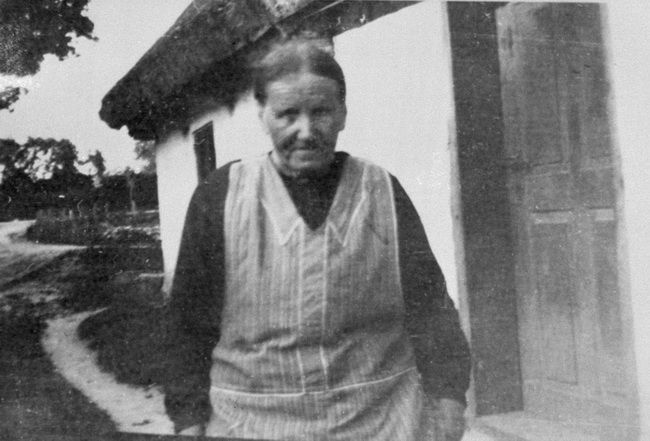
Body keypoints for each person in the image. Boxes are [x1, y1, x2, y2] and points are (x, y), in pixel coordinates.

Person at [164, 39, 471, 440]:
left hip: (380, 420)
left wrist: (449, 400)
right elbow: (186, 324)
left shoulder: (381, 191)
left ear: (342, 113)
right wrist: (188, 419)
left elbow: (430, 308)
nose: (306, 132)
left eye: (321, 112)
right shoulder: (221, 196)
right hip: (251, 423)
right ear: (262, 115)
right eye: (287, 114)